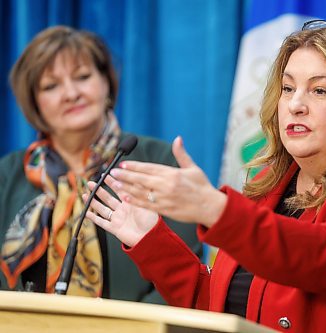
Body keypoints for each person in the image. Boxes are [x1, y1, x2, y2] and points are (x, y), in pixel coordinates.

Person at [85, 21, 326, 332]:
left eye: (320, 90)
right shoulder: (264, 193)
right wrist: (151, 239)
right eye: (288, 88)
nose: (295, 103)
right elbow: (220, 310)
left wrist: (217, 211)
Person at [0, 26, 202, 303]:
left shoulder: (159, 161)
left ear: (107, 83)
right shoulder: (7, 175)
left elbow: (185, 273)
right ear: (34, 104)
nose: (71, 93)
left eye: (82, 77)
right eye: (51, 86)